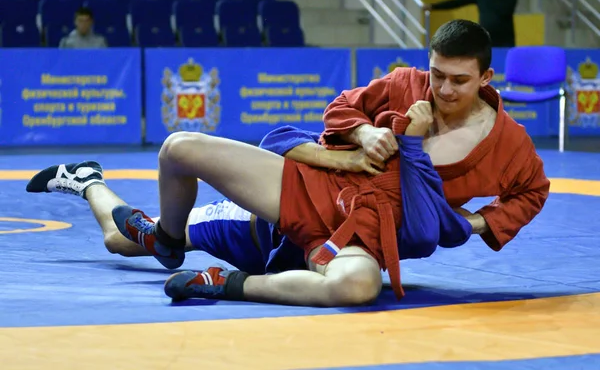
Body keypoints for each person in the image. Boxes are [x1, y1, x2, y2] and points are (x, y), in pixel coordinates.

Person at [99, 19, 549, 308]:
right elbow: (339, 109)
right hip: (308, 189)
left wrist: (476, 224)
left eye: (459, 81)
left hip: (366, 237)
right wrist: (365, 132)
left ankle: (227, 282)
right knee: (174, 153)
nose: (444, 90)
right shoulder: (403, 84)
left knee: (357, 287)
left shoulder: (509, 143)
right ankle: (155, 230)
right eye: (437, 75)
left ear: (486, 78)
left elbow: (533, 191)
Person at [25, 127, 385, 275]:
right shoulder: (350, 142)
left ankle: (155, 228)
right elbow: (283, 141)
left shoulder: (401, 194)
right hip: (245, 224)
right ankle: (88, 181)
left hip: (278, 245)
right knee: (118, 242)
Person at [423, 0, 517, 48]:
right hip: (485, 39)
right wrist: (433, 6)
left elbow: (506, 10)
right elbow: (457, 2)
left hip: (505, 41)